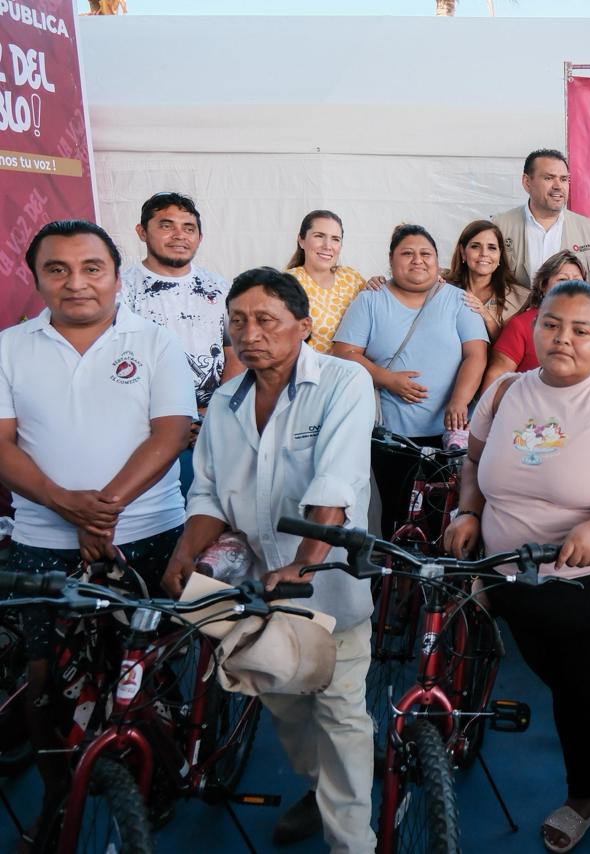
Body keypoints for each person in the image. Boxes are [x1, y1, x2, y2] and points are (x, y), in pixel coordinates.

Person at [442, 280, 590, 854]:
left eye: (582, 329)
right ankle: (583, 799)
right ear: (535, 326)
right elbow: (475, 462)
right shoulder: (504, 392)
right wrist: (468, 511)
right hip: (520, 585)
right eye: (552, 324)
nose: (563, 338)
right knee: (570, 695)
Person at [161, 267, 378, 852]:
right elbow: (207, 492)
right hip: (256, 593)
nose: (248, 333)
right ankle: (319, 789)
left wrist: (303, 565)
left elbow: (335, 484)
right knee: (286, 708)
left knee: (340, 716)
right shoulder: (227, 401)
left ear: (303, 326)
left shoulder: (343, 382)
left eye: (265, 319)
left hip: (326, 586)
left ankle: (352, 842)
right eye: (237, 321)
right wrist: (186, 552)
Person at [0, 220, 193, 846]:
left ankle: (152, 783)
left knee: (144, 672)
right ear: (37, 279)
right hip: (41, 538)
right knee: (44, 679)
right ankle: (61, 794)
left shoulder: (158, 341)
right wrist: (64, 504)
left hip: (146, 533)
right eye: (57, 269)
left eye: (91, 268)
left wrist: (101, 510)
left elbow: (170, 433)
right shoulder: (8, 347)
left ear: (117, 274)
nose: (75, 282)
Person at [332, 224, 487, 539]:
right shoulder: (370, 301)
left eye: (425, 253)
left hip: (448, 436)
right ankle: (391, 582)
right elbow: (344, 352)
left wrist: (459, 401)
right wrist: (387, 379)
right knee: (393, 513)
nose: (418, 260)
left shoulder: (458, 300)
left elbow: (476, 354)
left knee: (443, 517)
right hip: (391, 435)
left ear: (436, 259)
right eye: (407, 253)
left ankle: (434, 583)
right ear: (391, 260)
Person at [120, 192, 243, 493]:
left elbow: (235, 352)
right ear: (141, 231)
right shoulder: (121, 290)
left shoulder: (218, 286)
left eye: (188, 228)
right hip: (145, 432)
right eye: (166, 225)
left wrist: (211, 413)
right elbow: (117, 365)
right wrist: (171, 421)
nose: (179, 235)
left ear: (200, 236)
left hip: (211, 427)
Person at [482, 250, 590, 392]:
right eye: (562, 280)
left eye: (577, 281)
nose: (570, 286)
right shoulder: (520, 325)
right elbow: (496, 378)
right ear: (543, 286)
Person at [492, 149, 590, 288]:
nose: (558, 186)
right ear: (527, 182)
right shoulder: (500, 226)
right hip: (516, 310)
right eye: (548, 178)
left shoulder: (584, 228)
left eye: (563, 179)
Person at [285, 209, 366, 354]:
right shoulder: (288, 283)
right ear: (301, 240)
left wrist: (378, 284)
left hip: (350, 372)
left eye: (335, 239)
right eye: (319, 236)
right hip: (307, 373)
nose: (327, 246)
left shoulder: (352, 279)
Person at [444, 219, 530, 339]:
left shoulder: (520, 298)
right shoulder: (444, 286)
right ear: (463, 252)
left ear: (500, 254)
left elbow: (512, 346)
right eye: (475, 246)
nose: (484, 253)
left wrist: (486, 316)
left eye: (492, 248)